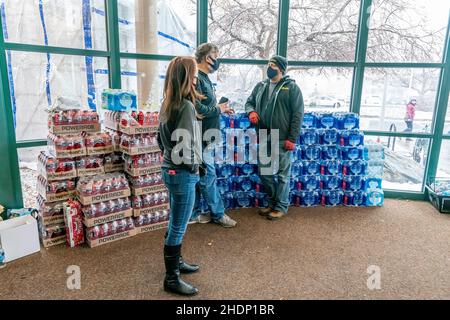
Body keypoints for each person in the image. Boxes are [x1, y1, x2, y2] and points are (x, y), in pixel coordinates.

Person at [157, 56, 204, 296]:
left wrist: (172, 161)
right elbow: (186, 144)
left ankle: (177, 263)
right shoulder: (185, 106)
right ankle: (171, 278)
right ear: (186, 76)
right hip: (183, 173)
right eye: (194, 74)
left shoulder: (167, 102)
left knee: (175, 220)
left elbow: (160, 140)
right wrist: (194, 168)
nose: (197, 78)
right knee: (179, 225)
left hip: (169, 169)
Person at [245, 55, 304, 221]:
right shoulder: (261, 85)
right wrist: (251, 111)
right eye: (268, 64)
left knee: (283, 174)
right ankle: (272, 202)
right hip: (263, 134)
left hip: (282, 136)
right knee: (265, 172)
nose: (269, 67)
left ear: (281, 69)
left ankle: (281, 206)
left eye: (272, 65)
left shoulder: (291, 88)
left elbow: (298, 115)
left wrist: (292, 138)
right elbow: (249, 102)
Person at [190, 43, 237, 228]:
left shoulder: (206, 79)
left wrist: (221, 110)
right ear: (207, 57)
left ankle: (193, 214)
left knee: (199, 176)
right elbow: (197, 108)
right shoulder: (196, 79)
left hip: (206, 136)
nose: (217, 60)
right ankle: (218, 215)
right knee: (208, 176)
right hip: (199, 136)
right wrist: (217, 108)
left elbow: (207, 107)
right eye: (215, 56)